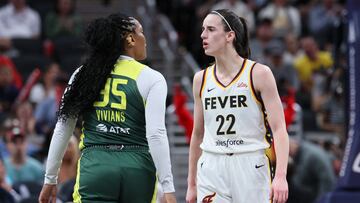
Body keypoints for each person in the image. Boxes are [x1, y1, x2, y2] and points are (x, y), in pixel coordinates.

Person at [38, 13, 177, 203]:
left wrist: (50, 179)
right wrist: (168, 187)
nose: (144, 39)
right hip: (137, 166)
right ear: (130, 39)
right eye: (141, 32)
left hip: (97, 164)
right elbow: (156, 134)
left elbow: (63, 128)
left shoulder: (83, 74)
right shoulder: (152, 78)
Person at [186, 9, 289, 203]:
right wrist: (192, 184)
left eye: (210, 29)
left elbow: (279, 128)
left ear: (229, 35)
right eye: (202, 29)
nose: (203, 35)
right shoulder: (200, 79)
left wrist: (281, 176)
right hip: (211, 164)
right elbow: (197, 133)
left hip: (250, 163)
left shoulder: (259, 73)